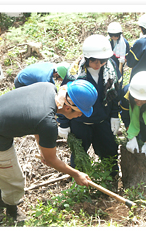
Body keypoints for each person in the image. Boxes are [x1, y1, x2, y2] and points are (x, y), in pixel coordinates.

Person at [0, 80, 98, 222]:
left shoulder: (48, 88)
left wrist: (42, 149)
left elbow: (36, 121)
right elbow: (51, 160)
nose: (80, 116)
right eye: (80, 112)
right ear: (68, 108)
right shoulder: (48, 123)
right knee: (11, 177)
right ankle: (11, 211)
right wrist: (76, 174)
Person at [57, 34, 121, 186]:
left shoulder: (111, 67)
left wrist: (114, 115)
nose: (98, 64)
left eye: (102, 60)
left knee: (109, 150)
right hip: (80, 121)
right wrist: (64, 123)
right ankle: (78, 183)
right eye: (94, 60)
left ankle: (112, 180)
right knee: (79, 154)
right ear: (87, 58)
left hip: (102, 120)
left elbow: (115, 93)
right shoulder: (75, 74)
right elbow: (65, 98)